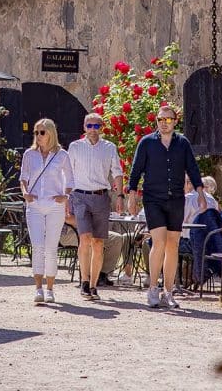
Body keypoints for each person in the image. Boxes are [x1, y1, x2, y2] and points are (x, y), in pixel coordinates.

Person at [127, 104, 207, 309]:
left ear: (175, 121)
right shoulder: (146, 143)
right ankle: (153, 288)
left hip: (176, 199)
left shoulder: (182, 143)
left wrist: (200, 194)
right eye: (160, 120)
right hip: (153, 199)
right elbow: (136, 171)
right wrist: (132, 196)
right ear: (157, 122)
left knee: (173, 244)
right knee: (159, 242)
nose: (164, 123)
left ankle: (168, 292)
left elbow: (193, 168)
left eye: (168, 119)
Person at [68, 112, 123, 301]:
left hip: (101, 197)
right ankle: (84, 281)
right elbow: (68, 173)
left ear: (101, 128)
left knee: (98, 243)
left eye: (96, 126)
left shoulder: (109, 148)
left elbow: (117, 172)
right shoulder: (75, 147)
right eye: (89, 126)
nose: (92, 130)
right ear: (84, 127)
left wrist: (120, 195)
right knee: (85, 238)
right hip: (80, 196)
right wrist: (67, 198)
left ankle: (93, 286)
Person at [20, 118, 74, 304]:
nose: (38, 136)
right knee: (37, 247)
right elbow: (23, 177)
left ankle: (50, 288)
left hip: (54, 205)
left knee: (51, 247)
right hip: (34, 204)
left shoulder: (62, 155)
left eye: (42, 132)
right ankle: (38, 288)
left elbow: (70, 178)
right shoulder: (29, 154)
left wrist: (65, 196)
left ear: (51, 133)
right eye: (36, 132)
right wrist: (25, 193)